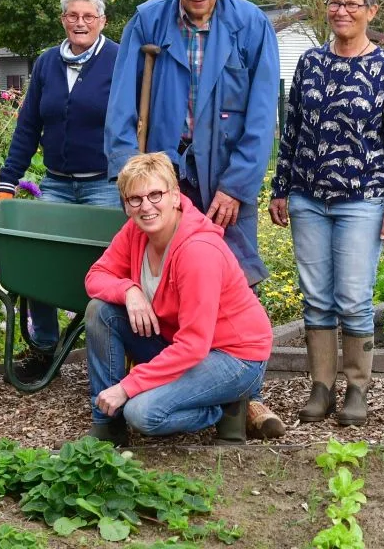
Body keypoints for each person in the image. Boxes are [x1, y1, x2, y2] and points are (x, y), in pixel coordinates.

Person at [104, 0, 285, 438]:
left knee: (238, 274)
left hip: (225, 175)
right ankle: (173, 381)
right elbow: (121, 105)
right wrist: (130, 177)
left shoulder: (251, 24)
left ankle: (244, 397)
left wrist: (238, 185)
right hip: (164, 174)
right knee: (161, 276)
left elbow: (262, 113)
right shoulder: (149, 19)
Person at [269, 0, 384, 427]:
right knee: (316, 298)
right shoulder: (310, 63)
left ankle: (357, 389)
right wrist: (280, 187)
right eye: (335, 2)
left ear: (371, 10)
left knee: (353, 298)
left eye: (352, 3)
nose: (341, 11)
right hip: (308, 198)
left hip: (363, 201)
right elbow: (291, 130)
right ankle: (321, 387)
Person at [83, 152, 272, 446]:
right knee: (100, 311)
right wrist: (129, 291)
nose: (146, 206)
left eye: (155, 195)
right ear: (126, 205)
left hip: (234, 356)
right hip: (178, 343)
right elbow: (96, 276)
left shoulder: (198, 251)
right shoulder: (136, 230)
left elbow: (194, 343)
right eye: (135, 199)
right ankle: (108, 426)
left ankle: (223, 408)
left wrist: (127, 387)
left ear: (174, 195)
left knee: (141, 413)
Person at [0, 0, 121, 382]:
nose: (80, 23)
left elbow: (135, 121)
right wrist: (7, 182)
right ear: (63, 19)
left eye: (88, 16)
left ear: (102, 21)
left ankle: (107, 358)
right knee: (37, 264)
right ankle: (45, 349)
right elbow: (28, 126)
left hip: (104, 185)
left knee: (108, 269)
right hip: (57, 184)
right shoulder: (48, 62)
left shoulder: (119, 60)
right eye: (72, 16)